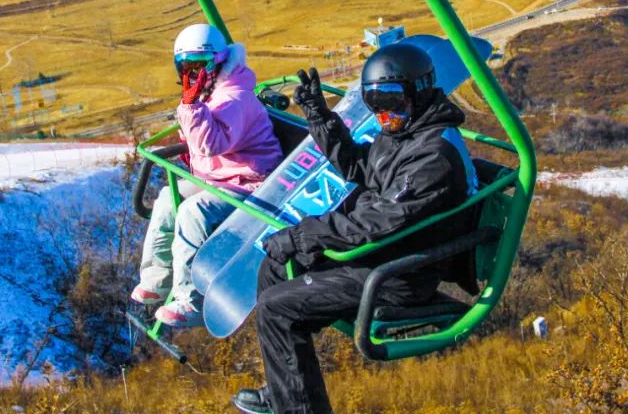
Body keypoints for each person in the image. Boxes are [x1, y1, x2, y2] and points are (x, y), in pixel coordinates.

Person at [232, 41, 478, 414]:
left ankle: (299, 408)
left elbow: (376, 221)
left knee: (277, 309)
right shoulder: (405, 133)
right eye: (373, 102)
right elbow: (360, 168)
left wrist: (302, 235)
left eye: (391, 101)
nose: (383, 114)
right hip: (378, 254)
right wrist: (319, 117)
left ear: (419, 91)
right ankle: (287, 390)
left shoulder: (433, 156)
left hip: (399, 272)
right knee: (275, 268)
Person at [131, 23, 283, 328]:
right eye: (185, 67)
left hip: (251, 182)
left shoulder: (234, 97)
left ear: (217, 63)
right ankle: (158, 276)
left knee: (192, 212)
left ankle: (193, 300)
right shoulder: (210, 91)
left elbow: (210, 144)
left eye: (199, 66)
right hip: (220, 177)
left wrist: (190, 106)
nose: (192, 74)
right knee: (166, 200)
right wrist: (193, 104)